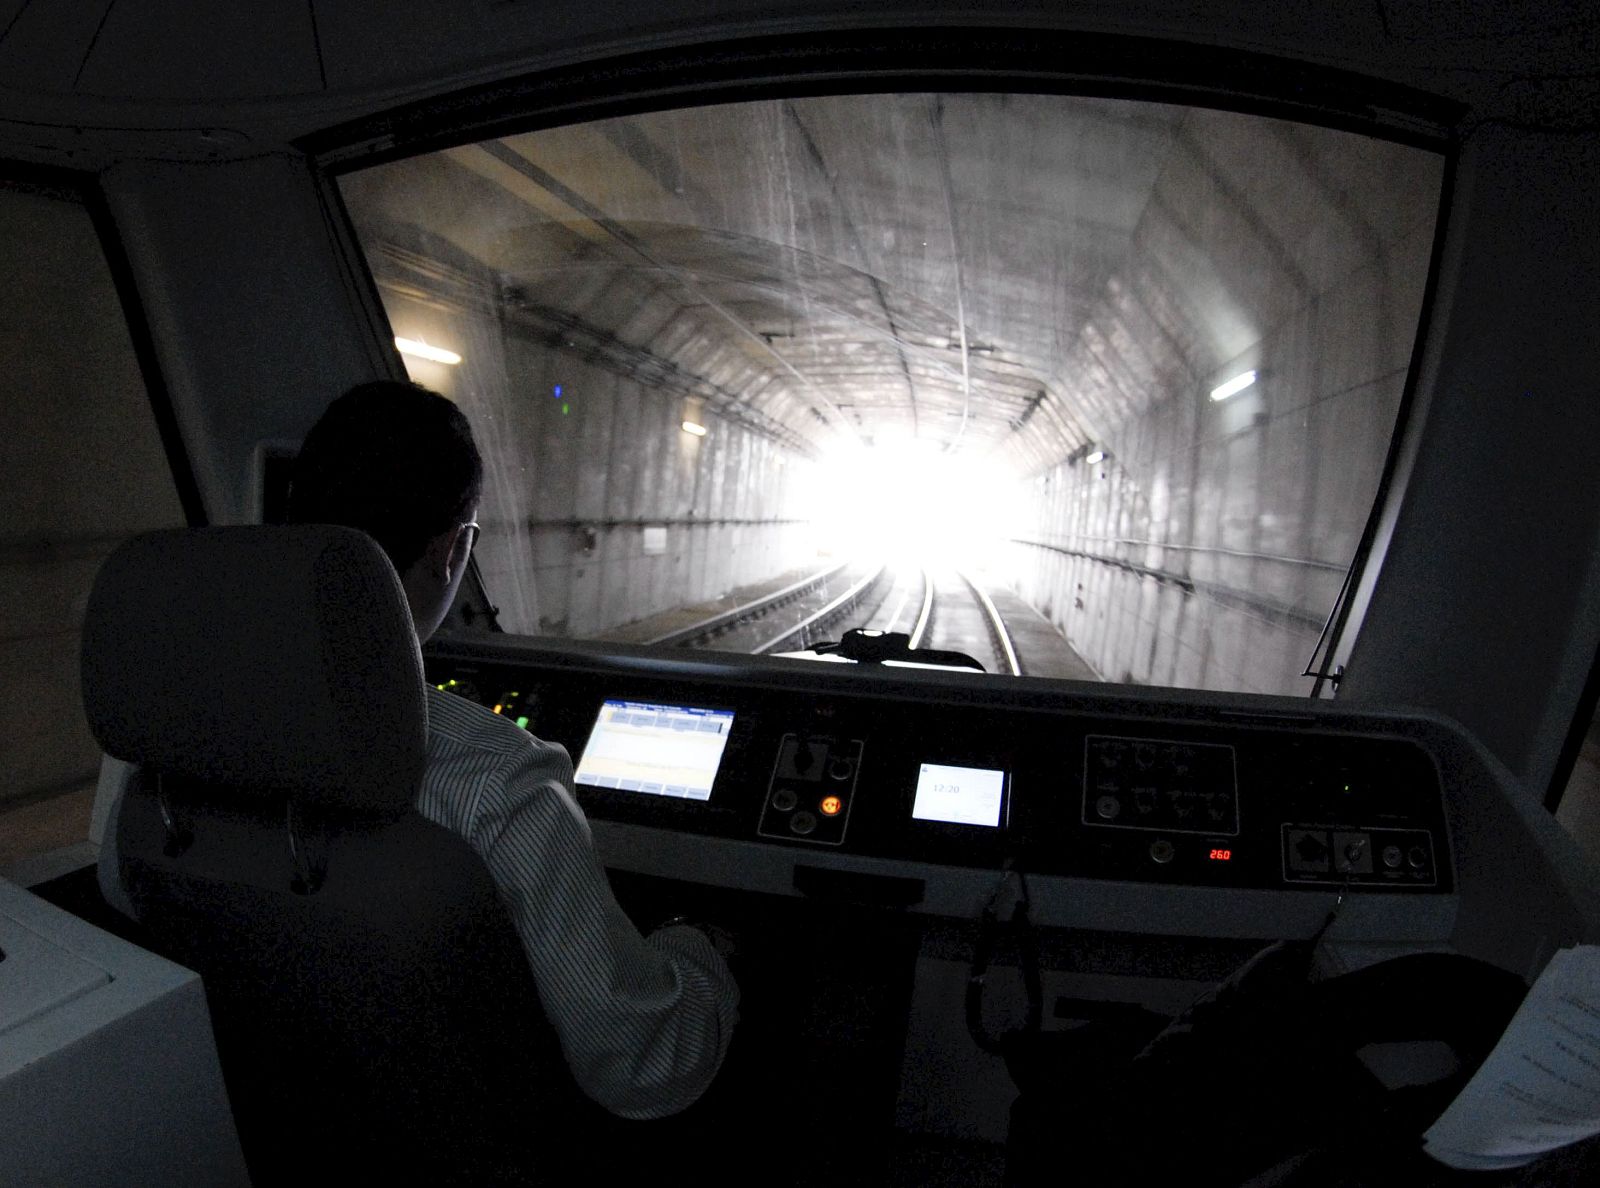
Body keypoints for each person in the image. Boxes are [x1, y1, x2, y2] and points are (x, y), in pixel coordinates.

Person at [287, 379, 740, 1121]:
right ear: (451, 550)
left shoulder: (170, 721)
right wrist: (702, 954)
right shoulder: (497, 778)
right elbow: (641, 1063)